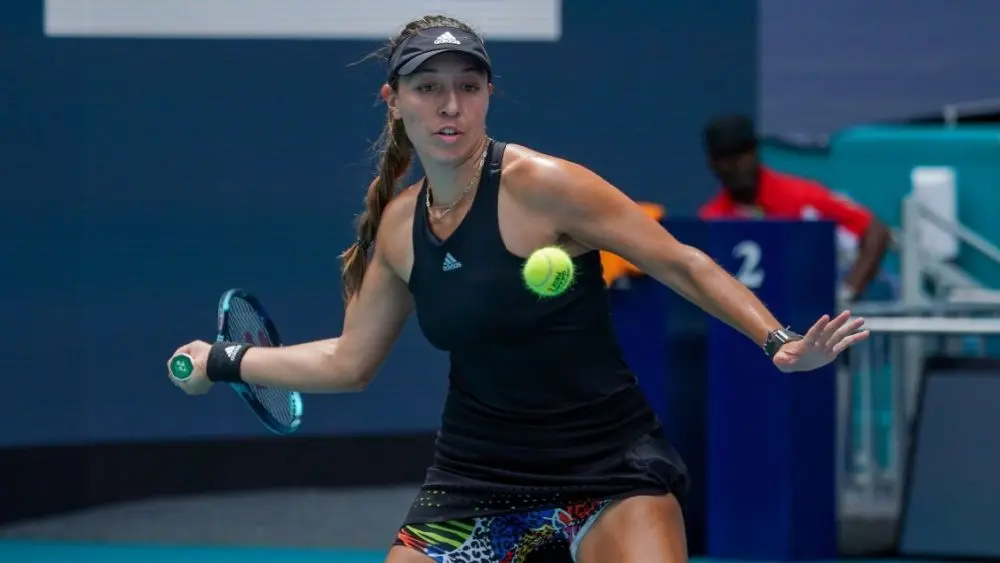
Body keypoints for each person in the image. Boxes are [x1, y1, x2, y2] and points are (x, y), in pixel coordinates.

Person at [167, 16, 869, 563]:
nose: (450, 105)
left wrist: (777, 340)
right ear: (395, 101)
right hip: (477, 480)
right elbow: (348, 362)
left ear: (487, 95)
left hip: (609, 470)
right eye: (428, 87)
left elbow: (681, 262)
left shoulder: (545, 186)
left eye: (468, 86)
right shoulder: (400, 228)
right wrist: (222, 360)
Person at [699, 114, 892, 304]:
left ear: (756, 152)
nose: (737, 165)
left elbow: (875, 231)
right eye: (726, 158)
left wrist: (847, 292)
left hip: (813, 313)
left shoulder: (802, 196)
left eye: (743, 153)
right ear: (712, 163)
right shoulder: (711, 218)